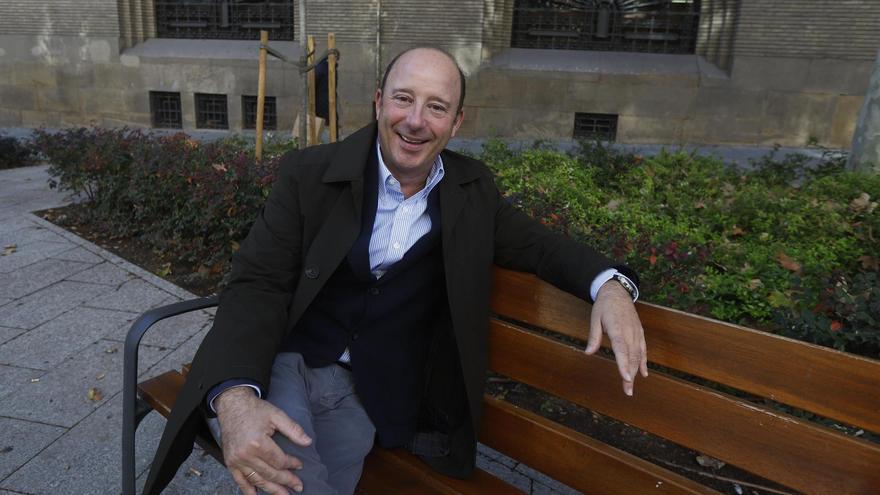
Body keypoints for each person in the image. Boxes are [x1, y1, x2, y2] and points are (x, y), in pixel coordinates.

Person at [142, 46, 647, 495]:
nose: (415, 121)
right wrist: (233, 400)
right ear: (380, 102)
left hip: (368, 393)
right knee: (278, 467)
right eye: (404, 99)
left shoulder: (472, 192)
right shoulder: (309, 175)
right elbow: (256, 283)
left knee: (303, 482)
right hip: (282, 362)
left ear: (457, 122)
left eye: (436, 107)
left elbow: (541, 246)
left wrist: (611, 288)